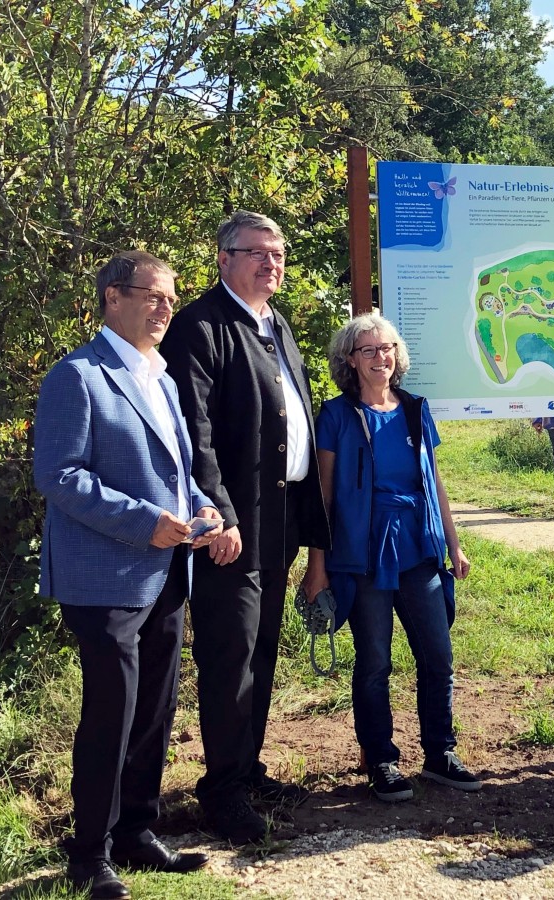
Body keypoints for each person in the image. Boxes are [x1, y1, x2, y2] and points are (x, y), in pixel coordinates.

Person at [34, 252, 222, 899]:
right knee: (111, 712)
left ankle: (137, 835)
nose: (167, 308)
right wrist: (146, 520)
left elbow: (179, 468)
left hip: (168, 570)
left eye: (171, 298)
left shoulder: (161, 377)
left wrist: (203, 506)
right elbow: (60, 477)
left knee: (155, 710)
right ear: (113, 297)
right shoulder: (77, 376)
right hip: (102, 575)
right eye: (154, 297)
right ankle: (89, 854)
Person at [160, 211, 331, 843]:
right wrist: (218, 513)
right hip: (231, 530)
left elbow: (297, 433)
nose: (271, 262)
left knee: (260, 653)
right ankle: (222, 791)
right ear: (223, 258)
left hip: (277, 524)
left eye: (278, 252)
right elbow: (193, 435)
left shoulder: (275, 325)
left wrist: (312, 536)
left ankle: (247, 768)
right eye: (255, 252)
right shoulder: (200, 328)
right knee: (230, 657)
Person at [301, 312, 481, 802]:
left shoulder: (415, 409)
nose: (381, 357)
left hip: (418, 550)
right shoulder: (336, 415)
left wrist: (454, 542)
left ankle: (441, 753)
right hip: (360, 555)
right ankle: (381, 759)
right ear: (349, 360)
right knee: (375, 660)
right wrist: (316, 567)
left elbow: (434, 481)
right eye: (368, 350)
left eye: (387, 349)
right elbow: (325, 495)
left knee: (437, 657)